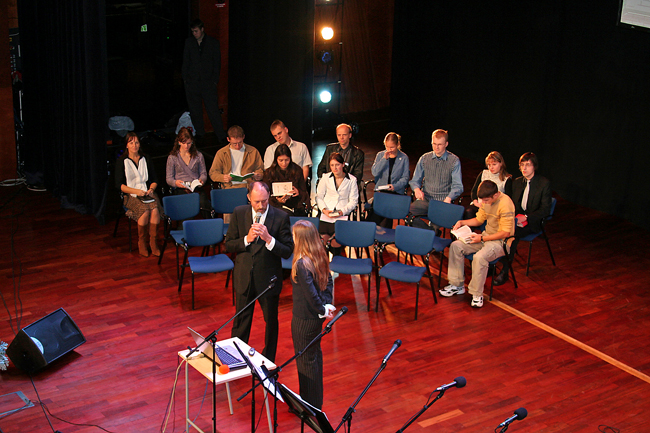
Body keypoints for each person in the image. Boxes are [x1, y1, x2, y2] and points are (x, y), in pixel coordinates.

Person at [225, 181, 293, 362]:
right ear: (249, 198)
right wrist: (246, 239)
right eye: (257, 202)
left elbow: (287, 251)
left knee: (270, 323)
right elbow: (229, 244)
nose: (261, 205)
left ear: (269, 196)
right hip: (244, 277)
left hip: (268, 280)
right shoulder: (239, 213)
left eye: (264, 201)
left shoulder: (281, 217)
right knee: (241, 321)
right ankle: (235, 358)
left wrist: (269, 239)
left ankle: (268, 360)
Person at [439, 180, 515, 308]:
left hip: (501, 242)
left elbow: (505, 233)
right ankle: (457, 285)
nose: (483, 203)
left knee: (480, 257)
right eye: (482, 200)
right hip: (485, 237)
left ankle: (477, 294)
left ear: (495, 195)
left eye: (486, 200)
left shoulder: (505, 204)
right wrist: (462, 222)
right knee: (456, 246)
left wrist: (482, 238)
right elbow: (479, 220)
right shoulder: (486, 201)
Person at [290, 220, 335, 409]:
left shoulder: (302, 263)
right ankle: (313, 403)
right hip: (315, 320)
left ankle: (309, 406)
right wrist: (326, 305)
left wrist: (322, 309)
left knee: (306, 363)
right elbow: (328, 282)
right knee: (314, 358)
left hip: (304, 320)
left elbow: (310, 295)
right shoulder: (319, 255)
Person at [493, 152, 551, 286]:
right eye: (522, 165)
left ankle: (505, 271)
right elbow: (512, 204)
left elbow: (545, 210)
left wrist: (526, 217)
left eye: (528, 165)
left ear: (534, 166)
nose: (524, 168)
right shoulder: (517, 182)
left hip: (533, 221)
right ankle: (493, 262)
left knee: (512, 234)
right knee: (496, 227)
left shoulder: (544, 183)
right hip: (516, 219)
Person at [115, 132, 163, 257]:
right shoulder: (122, 161)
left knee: (155, 209)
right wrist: (136, 191)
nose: (134, 145)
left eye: (136, 142)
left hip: (147, 192)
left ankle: (153, 242)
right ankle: (142, 242)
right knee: (144, 211)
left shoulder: (146, 158)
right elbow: (119, 185)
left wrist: (151, 189)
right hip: (130, 194)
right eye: (131, 143)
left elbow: (155, 180)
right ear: (126, 145)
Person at [409, 129, 463, 230]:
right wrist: (416, 189)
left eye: (439, 144)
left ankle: (431, 233)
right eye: (434, 144)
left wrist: (449, 198)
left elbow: (458, 186)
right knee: (407, 213)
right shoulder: (425, 158)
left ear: (446, 144)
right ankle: (429, 232)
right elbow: (415, 180)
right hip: (426, 199)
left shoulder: (454, 161)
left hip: (442, 202)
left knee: (436, 224)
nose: (436, 147)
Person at [182, 19, 226, 140]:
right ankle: (200, 133)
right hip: (193, 82)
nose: (194, 34)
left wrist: (214, 80)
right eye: (192, 31)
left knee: (213, 110)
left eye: (196, 31)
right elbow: (186, 61)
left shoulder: (212, 43)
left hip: (208, 82)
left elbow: (217, 63)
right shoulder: (189, 42)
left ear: (202, 29)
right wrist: (186, 79)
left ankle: (221, 135)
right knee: (195, 110)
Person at [316, 153, 359, 254]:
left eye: (337, 165)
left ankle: (336, 261)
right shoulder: (325, 177)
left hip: (342, 215)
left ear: (343, 164)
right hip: (326, 214)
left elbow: (353, 201)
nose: (334, 168)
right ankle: (324, 263)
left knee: (336, 242)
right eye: (332, 165)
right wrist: (324, 210)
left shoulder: (352, 180)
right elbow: (319, 197)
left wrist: (342, 211)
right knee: (322, 241)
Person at [366, 132, 410, 227]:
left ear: (398, 145)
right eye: (387, 147)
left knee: (386, 209)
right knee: (375, 213)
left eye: (392, 147)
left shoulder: (404, 158)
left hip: (395, 192)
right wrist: (384, 159)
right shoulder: (380, 155)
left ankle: (383, 230)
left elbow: (405, 178)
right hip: (381, 191)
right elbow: (374, 172)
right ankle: (369, 229)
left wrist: (394, 186)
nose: (389, 150)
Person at [165, 127, 210, 210]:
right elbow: (169, 178)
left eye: (189, 143)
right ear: (179, 142)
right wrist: (175, 183)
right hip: (181, 188)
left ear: (192, 141)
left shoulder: (198, 155)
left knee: (204, 203)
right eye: (184, 143)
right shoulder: (172, 157)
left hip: (196, 187)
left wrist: (201, 180)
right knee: (185, 206)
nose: (186, 146)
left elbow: (203, 173)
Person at [263, 144, 310, 216]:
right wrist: (277, 200)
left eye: (286, 160)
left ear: (290, 158)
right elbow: (265, 195)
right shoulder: (269, 173)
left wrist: (298, 192)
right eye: (281, 160)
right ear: (276, 159)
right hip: (275, 206)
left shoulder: (297, 170)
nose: (284, 163)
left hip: (295, 204)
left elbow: (304, 191)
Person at [464, 151, 512, 220]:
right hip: (480, 205)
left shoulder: (506, 179)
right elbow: (474, 191)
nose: (491, 167)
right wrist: (476, 203)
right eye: (489, 165)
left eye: (494, 164)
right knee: (469, 211)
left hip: (495, 207)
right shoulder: (483, 174)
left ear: (501, 164)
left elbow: (508, 198)